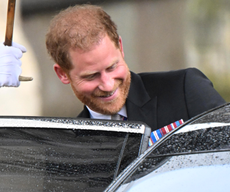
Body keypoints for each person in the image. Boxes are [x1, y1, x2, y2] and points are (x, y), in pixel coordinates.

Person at [45, 4, 225, 131]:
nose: (108, 86)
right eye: (91, 76)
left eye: (112, 67)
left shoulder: (186, 90)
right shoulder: (65, 147)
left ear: (121, 47)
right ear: (62, 74)